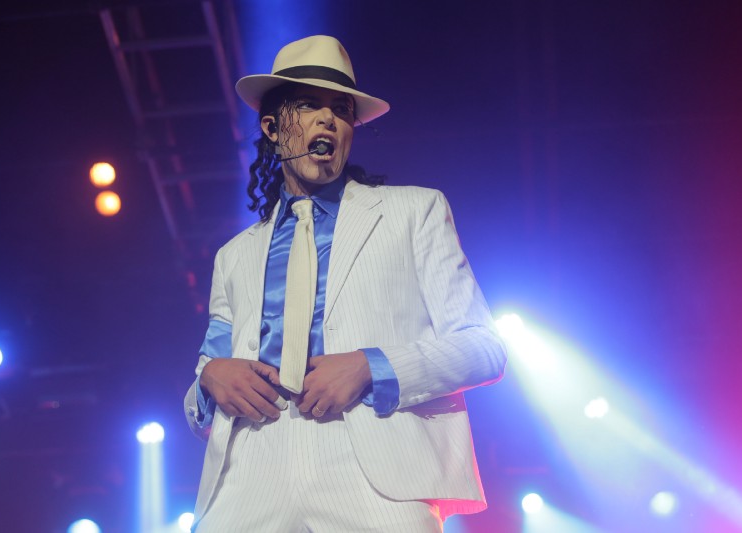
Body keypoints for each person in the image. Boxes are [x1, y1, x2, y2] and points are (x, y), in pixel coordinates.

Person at [184, 35, 507, 532]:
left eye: (341, 110)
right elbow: (207, 374)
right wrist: (209, 380)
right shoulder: (234, 255)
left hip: (373, 472)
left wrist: (370, 367)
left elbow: (484, 349)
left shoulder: (413, 212)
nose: (327, 120)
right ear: (272, 127)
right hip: (248, 470)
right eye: (308, 105)